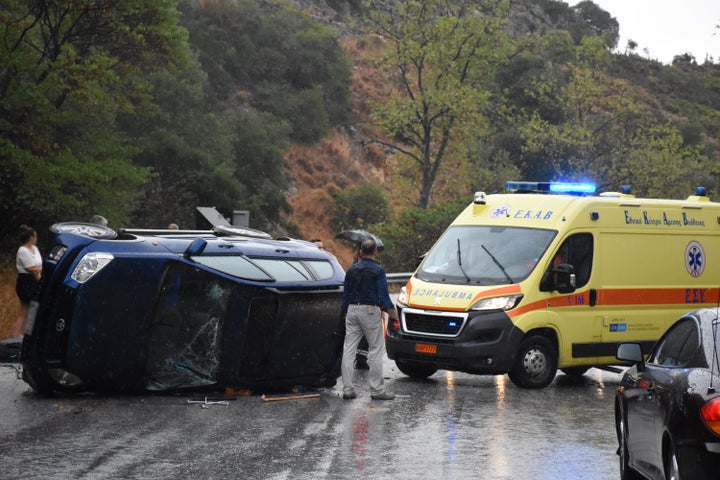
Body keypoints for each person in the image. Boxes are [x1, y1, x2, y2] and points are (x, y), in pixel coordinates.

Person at [341, 238, 399, 400]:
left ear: (360, 252)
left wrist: (345, 312)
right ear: (375, 252)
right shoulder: (377, 271)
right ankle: (377, 391)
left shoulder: (351, 270)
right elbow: (383, 296)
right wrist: (392, 313)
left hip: (352, 309)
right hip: (369, 310)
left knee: (349, 349)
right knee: (375, 350)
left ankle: (347, 389)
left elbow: (345, 296)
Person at [13, 225, 42, 337]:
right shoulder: (23, 250)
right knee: (26, 309)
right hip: (26, 282)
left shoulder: (36, 249)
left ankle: (28, 333)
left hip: (36, 279)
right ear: (31, 237)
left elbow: (38, 266)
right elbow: (30, 268)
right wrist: (40, 273)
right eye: (35, 236)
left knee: (34, 308)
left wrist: (39, 271)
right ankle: (18, 334)